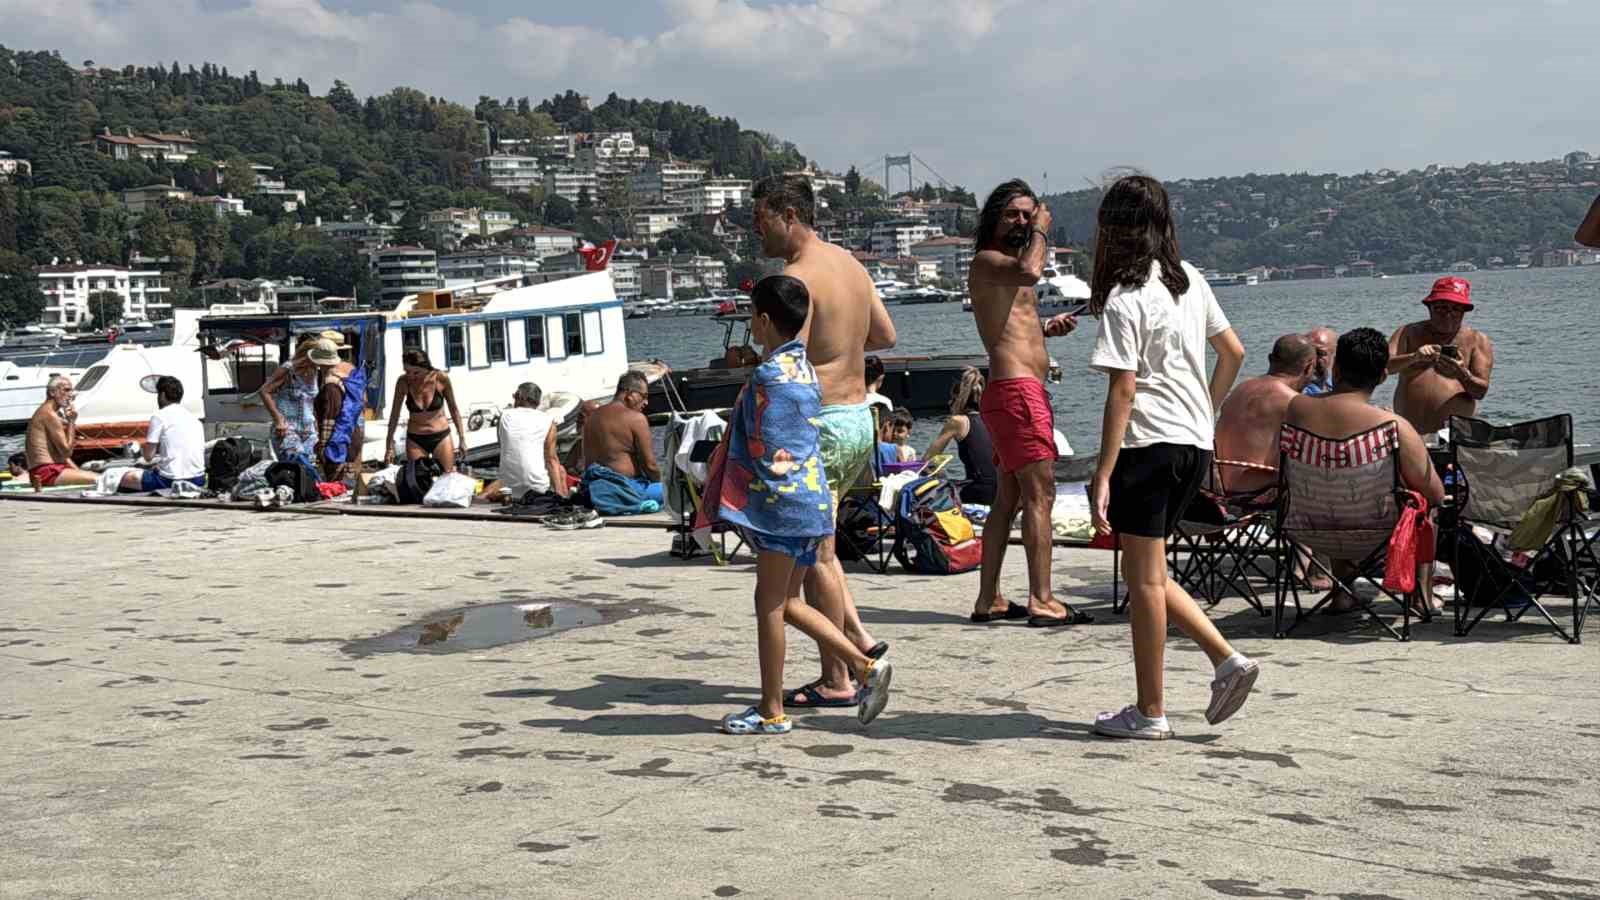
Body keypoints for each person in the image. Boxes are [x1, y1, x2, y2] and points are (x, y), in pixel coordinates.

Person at [1086, 174, 1256, 741]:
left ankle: (1150, 710)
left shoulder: (1124, 297)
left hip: (1148, 444)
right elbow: (1232, 352)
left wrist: (1103, 471)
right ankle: (1226, 660)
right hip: (1192, 441)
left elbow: (1124, 391)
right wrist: (1205, 409)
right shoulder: (1191, 282)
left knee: (1144, 585)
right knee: (1150, 575)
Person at [699, 275, 894, 734]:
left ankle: (773, 708)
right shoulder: (806, 369)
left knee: (769, 604)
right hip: (812, 502)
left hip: (782, 508)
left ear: (764, 321)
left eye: (752, 317)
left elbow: (764, 446)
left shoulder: (767, 375)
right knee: (786, 601)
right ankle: (861, 666)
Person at [752, 173, 893, 709]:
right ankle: (854, 643)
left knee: (818, 554)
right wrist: (842, 344)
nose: (755, 231)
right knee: (821, 550)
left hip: (823, 424)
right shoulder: (850, 264)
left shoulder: (798, 279)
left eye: (761, 218)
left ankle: (839, 674)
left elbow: (789, 361)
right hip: (860, 417)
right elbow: (884, 335)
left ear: (789, 215)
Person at [967, 178, 1089, 627]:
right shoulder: (989, 260)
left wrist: (1044, 329)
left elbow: (1013, 326)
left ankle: (989, 599)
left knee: (1009, 498)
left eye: (1026, 214)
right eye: (1013, 214)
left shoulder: (1003, 267)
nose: (1022, 221)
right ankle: (1042, 598)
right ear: (994, 220)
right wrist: (1041, 227)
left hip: (1012, 390)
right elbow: (1032, 273)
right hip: (1019, 394)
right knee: (1042, 494)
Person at [1285, 327, 1446, 612]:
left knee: (1332, 489)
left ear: (1336, 369)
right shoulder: (1394, 426)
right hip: (1376, 535)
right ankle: (1421, 596)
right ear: (1384, 376)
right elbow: (1434, 493)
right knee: (1426, 507)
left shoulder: (1297, 409)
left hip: (1307, 530)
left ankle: (1343, 592)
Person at [1386, 277, 1494, 436]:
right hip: (1409, 432)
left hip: (1455, 434)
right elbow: (1384, 367)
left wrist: (1461, 373)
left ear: (1464, 311)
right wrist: (1414, 357)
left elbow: (1480, 392)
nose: (1448, 314)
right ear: (1430, 308)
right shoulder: (1407, 332)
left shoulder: (1477, 340)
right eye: (1441, 308)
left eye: (1456, 309)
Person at [1213, 334, 1316, 493]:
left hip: (1217, 486)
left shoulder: (1240, 389)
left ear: (1270, 359)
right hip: (1257, 490)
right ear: (1309, 366)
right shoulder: (1294, 402)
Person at [578, 370, 663, 514]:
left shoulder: (591, 418)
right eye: (644, 396)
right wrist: (659, 482)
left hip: (592, 489)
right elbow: (650, 465)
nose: (646, 402)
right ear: (630, 394)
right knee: (676, 492)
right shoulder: (636, 419)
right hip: (625, 488)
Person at [383, 349, 468, 473]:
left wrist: (462, 438)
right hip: (415, 439)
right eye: (407, 372)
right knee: (419, 482)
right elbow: (394, 415)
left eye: (416, 373)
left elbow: (454, 409)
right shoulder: (403, 382)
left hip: (441, 436)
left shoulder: (441, 379)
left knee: (447, 476)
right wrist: (389, 446)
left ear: (426, 368)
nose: (411, 377)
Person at [482, 382, 567, 503]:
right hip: (538, 489)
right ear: (537, 402)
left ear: (521, 397)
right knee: (561, 470)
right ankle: (562, 496)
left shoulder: (504, 416)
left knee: (498, 483)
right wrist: (560, 496)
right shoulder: (548, 421)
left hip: (509, 490)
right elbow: (551, 460)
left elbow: (505, 448)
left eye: (514, 396)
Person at [117, 376, 205, 492]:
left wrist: (141, 450)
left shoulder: (159, 416)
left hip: (169, 481)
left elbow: (148, 457)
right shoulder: (195, 420)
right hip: (198, 480)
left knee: (120, 476)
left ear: (162, 395)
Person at [261, 337, 333, 466]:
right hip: (288, 428)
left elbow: (313, 402)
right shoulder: (289, 369)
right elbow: (264, 391)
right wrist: (278, 420)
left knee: (309, 469)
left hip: (309, 430)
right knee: (296, 464)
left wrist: (317, 424)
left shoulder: (315, 372)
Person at [24, 376, 99, 489]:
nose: (71, 395)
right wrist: (71, 422)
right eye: (67, 390)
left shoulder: (48, 413)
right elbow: (66, 452)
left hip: (48, 470)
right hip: (47, 472)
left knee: (97, 477)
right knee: (103, 479)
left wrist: (77, 471)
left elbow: (62, 456)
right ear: (52, 392)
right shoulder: (49, 415)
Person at [1302, 326, 1336, 395]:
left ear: (1334, 354)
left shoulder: (1335, 384)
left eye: (1319, 353)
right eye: (1308, 352)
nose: (1312, 359)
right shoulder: (1297, 391)